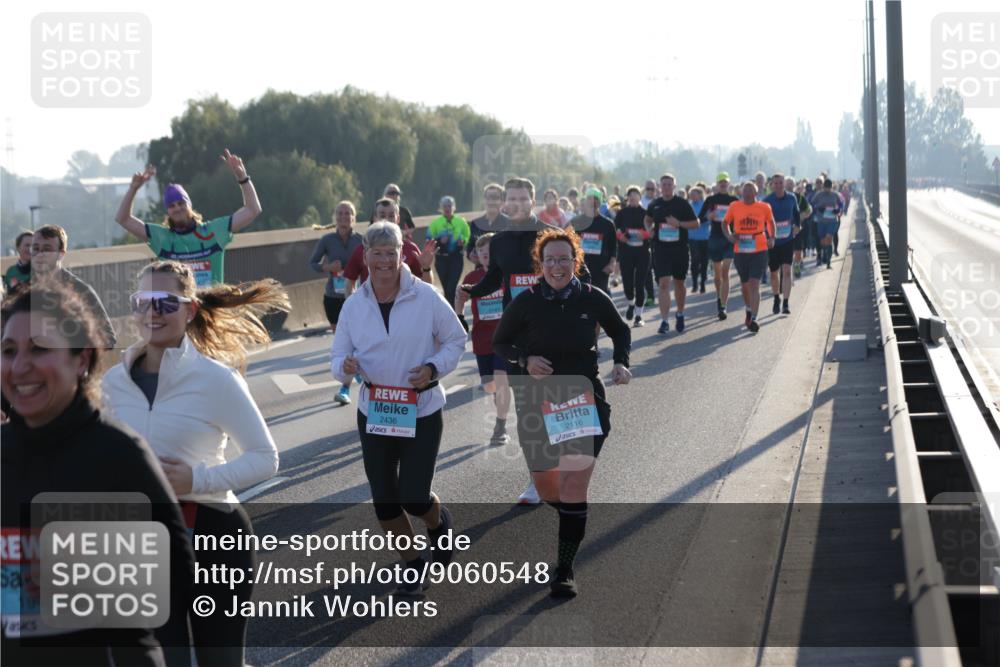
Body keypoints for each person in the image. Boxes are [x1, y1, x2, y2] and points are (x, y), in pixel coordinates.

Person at [1, 281, 195, 666]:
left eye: (40, 348)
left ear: (81, 359)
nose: (20, 366)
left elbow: (176, 581)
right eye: (8, 351)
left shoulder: (117, 453)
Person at [102, 260, 285, 666]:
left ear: (190, 310)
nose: (153, 312)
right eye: (144, 302)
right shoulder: (113, 383)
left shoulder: (216, 379)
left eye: (167, 303)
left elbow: (265, 457)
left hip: (215, 535)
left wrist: (195, 479)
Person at [492, 227, 631, 597]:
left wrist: (620, 362)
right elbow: (500, 342)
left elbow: (620, 330)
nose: (556, 266)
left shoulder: (593, 297)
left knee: (573, 486)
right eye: (549, 259)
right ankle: (572, 515)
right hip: (536, 403)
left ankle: (564, 568)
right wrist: (525, 358)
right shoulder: (526, 301)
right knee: (548, 486)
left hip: (583, 401)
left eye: (563, 259)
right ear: (541, 263)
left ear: (576, 261)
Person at [331, 222, 466, 593]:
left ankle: (438, 523)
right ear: (365, 255)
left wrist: (433, 368)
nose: (385, 261)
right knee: (385, 503)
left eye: (391, 252)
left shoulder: (425, 296)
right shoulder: (354, 306)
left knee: (414, 496)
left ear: (402, 254)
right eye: (377, 253)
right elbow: (339, 353)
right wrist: (343, 367)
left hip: (420, 409)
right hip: (376, 410)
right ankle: (412, 563)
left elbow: (456, 339)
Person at [460, 176, 592, 506]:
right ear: (505, 203)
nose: (517, 204)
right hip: (517, 336)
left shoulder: (550, 236)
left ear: (532, 201)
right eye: (512, 199)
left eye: (523, 198)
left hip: (554, 332)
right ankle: (538, 480)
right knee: (528, 411)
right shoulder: (501, 240)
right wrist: (473, 291)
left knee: (555, 406)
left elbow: (581, 275)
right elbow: (495, 277)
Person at [114, 151, 261, 287]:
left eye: (181, 203)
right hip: (179, 313)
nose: (177, 208)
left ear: (189, 205)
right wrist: (133, 189)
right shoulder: (162, 237)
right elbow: (123, 219)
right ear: (168, 211)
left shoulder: (213, 231)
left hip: (212, 311)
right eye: (172, 205)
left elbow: (252, 210)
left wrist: (242, 177)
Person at [457, 233, 510, 446]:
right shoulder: (471, 279)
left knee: (500, 381)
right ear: (476, 255)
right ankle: (501, 409)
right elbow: (459, 299)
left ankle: (501, 425)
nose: (486, 255)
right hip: (481, 339)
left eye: (490, 252)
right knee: (490, 385)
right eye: (482, 252)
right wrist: (459, 319)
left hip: (504, 337)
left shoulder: (507, 275)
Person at [309, 201, 364, 405]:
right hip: (333, 296)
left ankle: (345, 386)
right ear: (335, 217)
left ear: (354, 217)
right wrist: (328, 267)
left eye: (347, 213)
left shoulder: (361, 240)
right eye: (340, 213)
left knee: (352, 340)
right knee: (341, 340)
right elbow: (313, 263)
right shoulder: (327, 240)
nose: (343, 217)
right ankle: (354, 370)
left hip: (355, 297)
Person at [30, 224, 117, 347]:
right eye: (35, 248)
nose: (40, 254)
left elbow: (108, 339)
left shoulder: (80, 291)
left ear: (61, 254)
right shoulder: (22, 291)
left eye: (47, 249)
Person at [644, 173, 700, 334]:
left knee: (679, 283)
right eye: (664, 184)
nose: (667, 187)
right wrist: (649, 229)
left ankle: (680, 313)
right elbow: (647, 219)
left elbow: (696, 223)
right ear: (660, 187)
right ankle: (664, 320)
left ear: (674, 186)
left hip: (680, 249)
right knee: (663, 283)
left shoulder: (682, 204)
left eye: (670, 184)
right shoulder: (655, 204)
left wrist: (679, 224)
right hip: (661, 249)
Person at [344, 198, 436, 287]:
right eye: (382, 215)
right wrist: (354, 302)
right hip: (371, 302)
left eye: (391, 216)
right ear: (375, 218)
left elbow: (427, 286)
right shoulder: (363, 249)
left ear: (398, 219)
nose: (386, 219)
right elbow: (349, 283)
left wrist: (426, 268)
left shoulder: (410, 249)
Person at [722, 182, 775, 333]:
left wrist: (772, 237)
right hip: (741, 250)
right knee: (745, 285)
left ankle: (754, 318)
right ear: (741, 193)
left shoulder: (764, 207)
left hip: (759, 248)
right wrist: (729, 236)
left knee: (754, 283)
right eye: (744, 192)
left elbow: (771, 222)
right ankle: (748, 308)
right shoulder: (734, 206)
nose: (747, 195)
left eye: (750, 192)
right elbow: (725, 223)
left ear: (755, 194)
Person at [701, 172, 739, 320]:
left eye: (725, 181)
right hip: (715, 238)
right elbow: (700, 218)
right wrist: (708, 217)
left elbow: (740, 219)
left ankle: (723, 306)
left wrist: (736, 232)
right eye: (720, 182)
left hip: (729, 238)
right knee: (717, 275)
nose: (723, 184)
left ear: (729, 183)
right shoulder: (711, 200)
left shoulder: (734, 200)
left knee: (725, 272)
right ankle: (719, 297)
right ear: (717, 184)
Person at [764, 174, 801, 315]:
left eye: (780, 183)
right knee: (774, 274)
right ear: (772, 185)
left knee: (786, 271)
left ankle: (786, 303)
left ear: (784, 183)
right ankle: (776, 298)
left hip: (787, 239)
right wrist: (767, 237)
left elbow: (796, 214)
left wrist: (797, 226)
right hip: (773, 241)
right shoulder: (767, 201)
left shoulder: (792, 198)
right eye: (776, 183)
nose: (778, 185)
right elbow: (763, 221)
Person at [614, 186, 652, 326]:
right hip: (626, 252)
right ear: (628, 198)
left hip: (643, 252)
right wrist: (620, 237)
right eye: (631, 196)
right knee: (628, 284)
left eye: (636, 195)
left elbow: (653, 230)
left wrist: (645, 235)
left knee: (640, 283)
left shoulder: (646, 213)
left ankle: (638, 316)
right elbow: (615, 229)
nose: (633, 197)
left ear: (640, 197)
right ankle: (631, 303)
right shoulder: (622, 213)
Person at [571, 188, 618, 295]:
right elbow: (568, 244)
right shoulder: (576, 222)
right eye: (590, 199)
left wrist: (611, 264)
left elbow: (614, 247)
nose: (593, 201)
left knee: (599, 299)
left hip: (601, 269)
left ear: (600, 202)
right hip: (580, 268)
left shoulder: (608, 224)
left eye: (596, 199)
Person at [428, 196, 471, 311]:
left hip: (456, 259)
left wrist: (463, 241)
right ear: (440, 208)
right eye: (445, 206)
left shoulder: (461, 222)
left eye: (449, 206)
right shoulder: (436, 223)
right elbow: (428, 239)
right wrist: (439, 240)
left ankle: (450, 312)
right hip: (441, 259)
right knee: (446, 289)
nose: (447, 208)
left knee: (451, 288)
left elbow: (468, 236)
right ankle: (451, 312)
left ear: (454, 207)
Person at [468, 183, 509, 262]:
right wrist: (470, 255)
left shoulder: (511, 223)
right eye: (488, 197)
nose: (491, 201)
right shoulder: (475, 223)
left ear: (502, 201)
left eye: (495, 198)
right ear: (484, 200)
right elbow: (470, 246)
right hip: (480, 270)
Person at [811, 178, 844, 269]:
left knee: (829, 238)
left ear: (831, 187)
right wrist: (818, 208)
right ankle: (824, 253)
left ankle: (828, 262)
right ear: (823, 187)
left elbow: (840, 204)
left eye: (829, 188)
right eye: (826, 188)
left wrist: (837, 210)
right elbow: (811, 204)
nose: (828, 190)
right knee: (822, 241)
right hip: (821, 221)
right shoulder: (819, 195)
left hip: (832, 221)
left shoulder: (835, 195)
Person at [687, 185, 710, 293]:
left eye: (694, 194)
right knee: (695, 261)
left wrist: (699, 222)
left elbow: (710, 220)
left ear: (700, 195)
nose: (692, 196)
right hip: (693, 237)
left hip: (705, 237)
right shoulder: (688, 206)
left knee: (704, 261)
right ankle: (695, 283)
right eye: (691, 194)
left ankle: (702, 283)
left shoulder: (706, 205)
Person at [788, 176, 813, 278]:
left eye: (790, 185)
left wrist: (801, 216)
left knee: (798, 252)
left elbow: (809, 210)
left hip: (797, 229)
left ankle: (797, 265)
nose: (789, 187)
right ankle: (787, 271)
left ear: (794, 186)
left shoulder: (799, 197)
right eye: (787, 184)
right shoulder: (779, 198)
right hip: (784, 231)